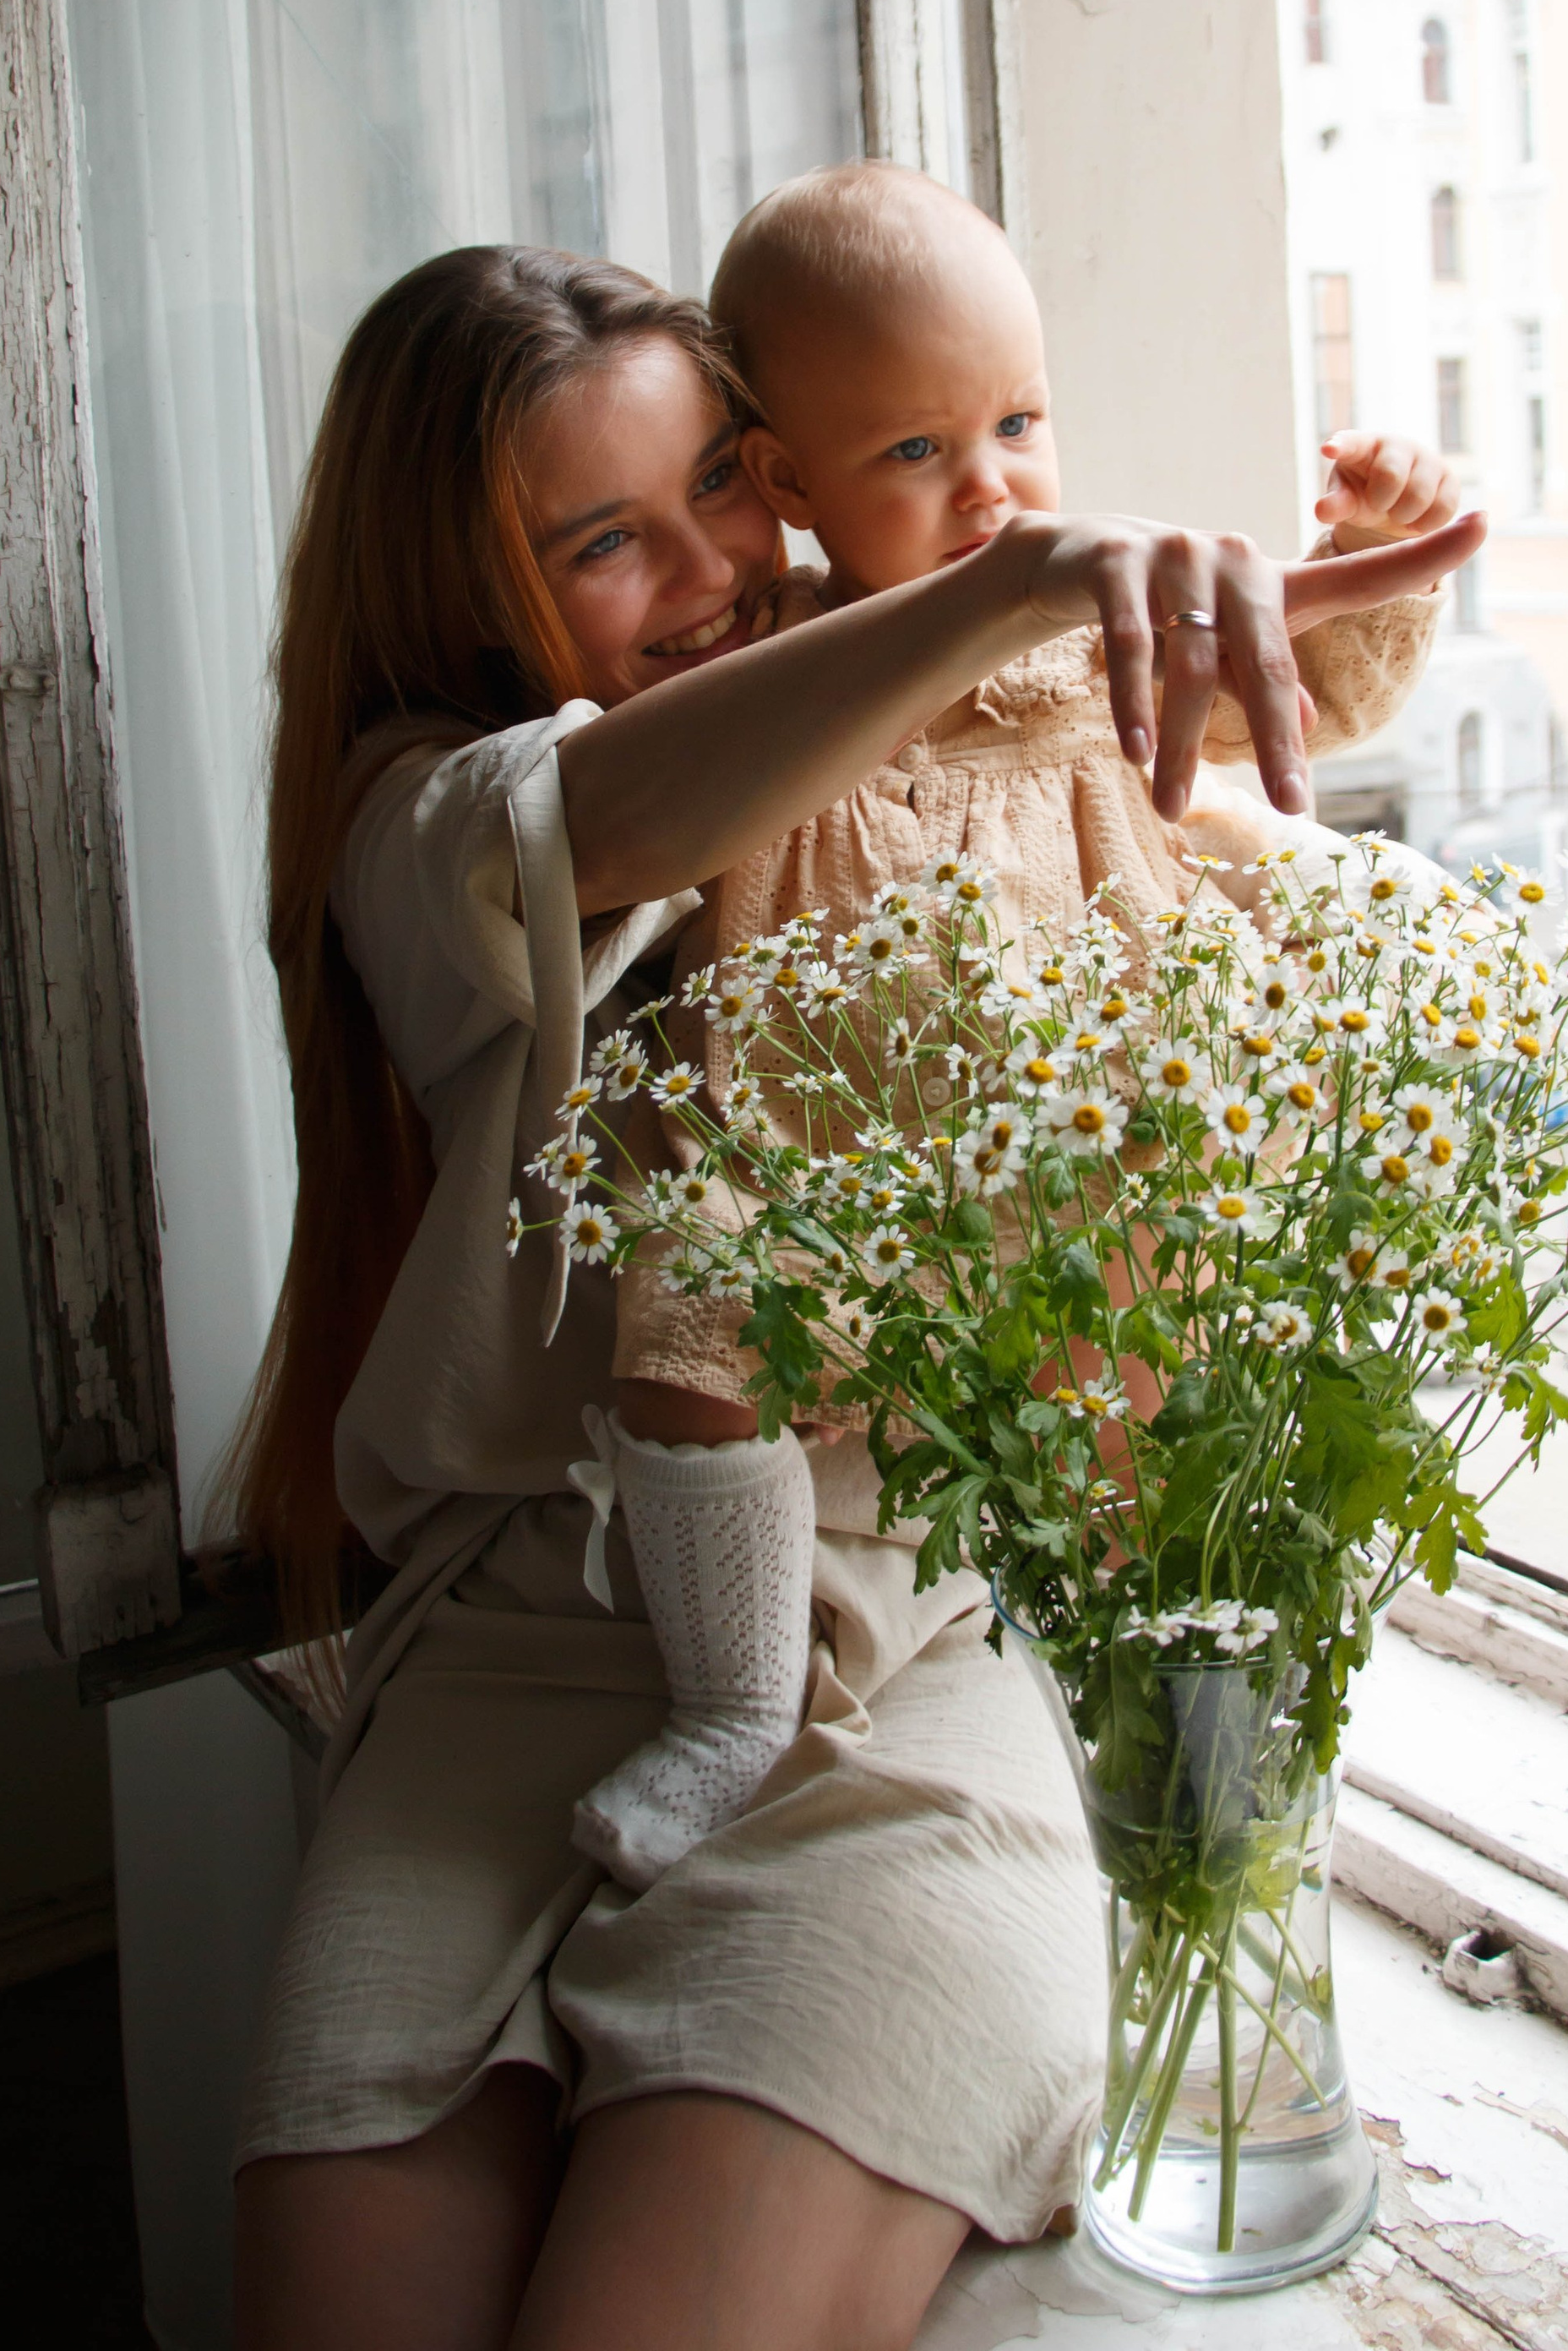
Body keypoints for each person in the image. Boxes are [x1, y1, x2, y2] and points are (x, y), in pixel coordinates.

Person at [227, 242, 1480, 2351]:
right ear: (464, 594)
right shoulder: (423, 828)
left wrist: (1277, 610)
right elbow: (619, 809)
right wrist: (1009, 582)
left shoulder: (903, 685)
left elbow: (1178, 757)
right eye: (605, 542)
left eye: (722, 479)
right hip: (507, 1662)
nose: (715, 568)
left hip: (914, 1640)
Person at [574, 161, 1468, 1896]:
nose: (989, 487)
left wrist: (1372, 553)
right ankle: (735, 1707)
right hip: (838, 1152)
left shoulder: (1087, 636)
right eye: (916, 451)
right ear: (786, 482)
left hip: (1107, 1127)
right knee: (695, 1313)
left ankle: (1179, 1732)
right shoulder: (774, 673)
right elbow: (631, 801)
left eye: (1017, 423)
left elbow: (1313, 687)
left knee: (1150, 1407)